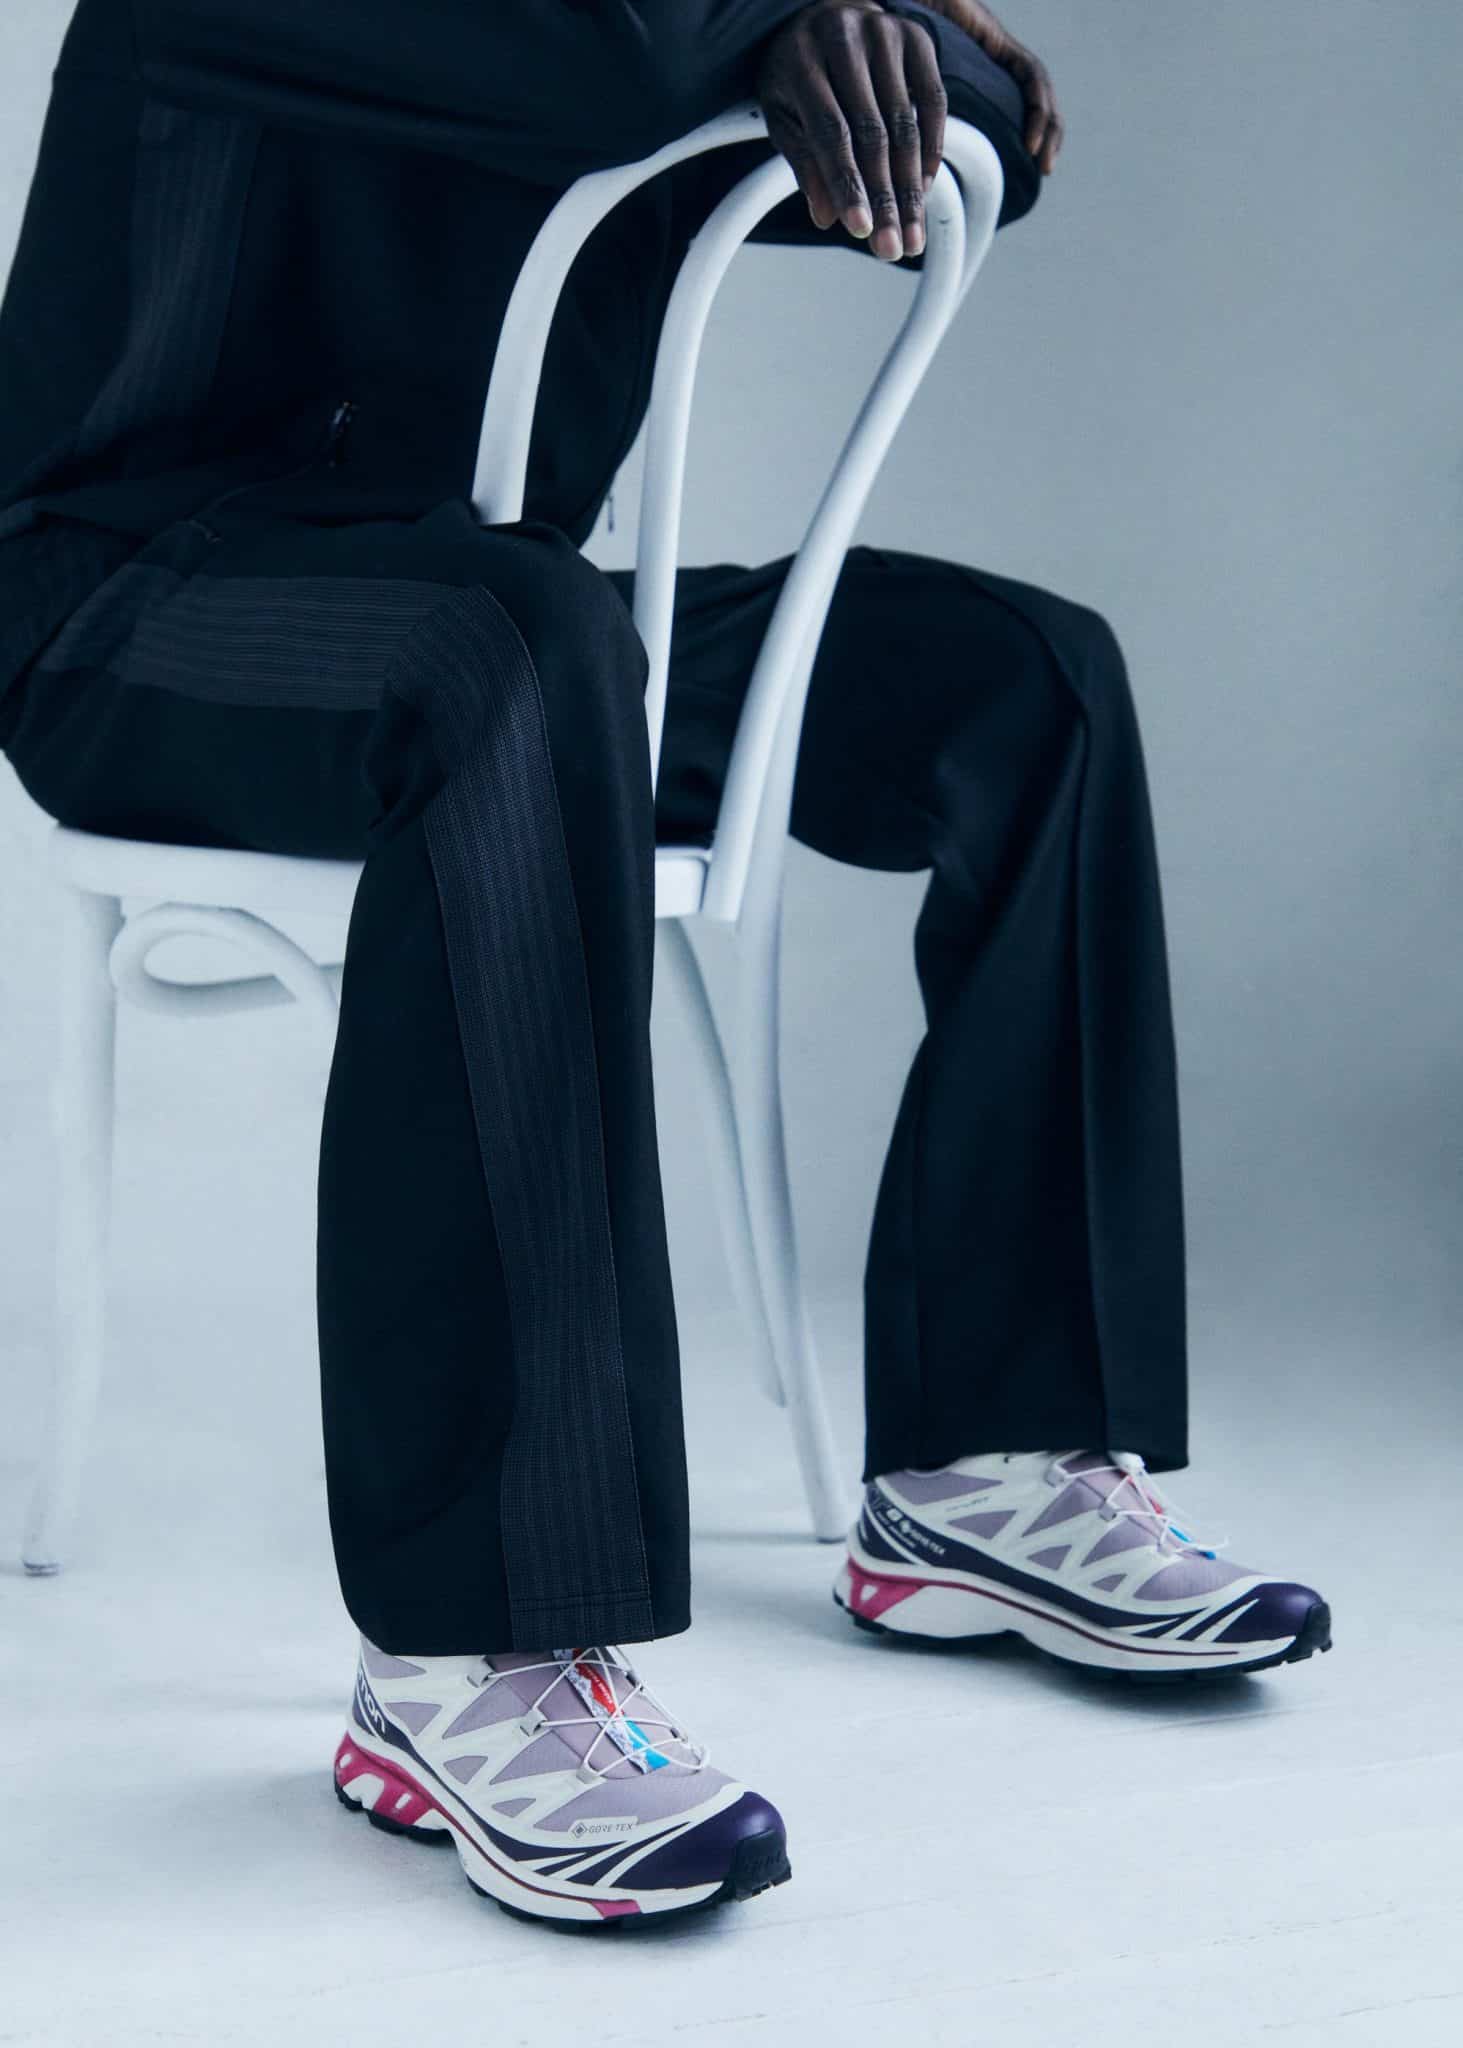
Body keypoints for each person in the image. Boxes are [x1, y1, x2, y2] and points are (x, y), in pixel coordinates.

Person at [0, 0, 1331, 1930]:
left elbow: (993, 145)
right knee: (517, 649)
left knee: (1027, 684)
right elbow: (617, 72)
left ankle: (987, 1466)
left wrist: (867, 30)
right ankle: (470, 1655)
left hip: (505, 603)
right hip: (129, 604)